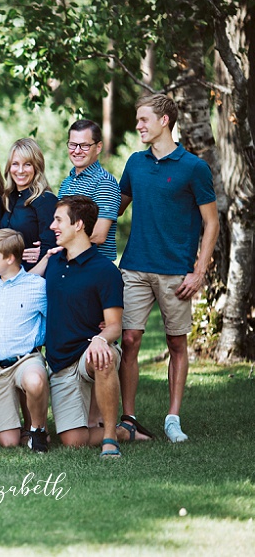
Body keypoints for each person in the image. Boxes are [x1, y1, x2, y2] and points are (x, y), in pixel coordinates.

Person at [117, 94, 219, 443]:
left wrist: (199, 270)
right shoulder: (134, 163)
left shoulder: (194, 167)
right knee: (129, 339)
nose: (138, 125)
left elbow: (212, 223)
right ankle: (128, 418)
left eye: (144, 119)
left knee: (176, 342)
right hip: (134, 267)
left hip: (176, 271)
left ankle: (172, 418)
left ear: (164, 121)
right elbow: (113, 208)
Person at [38, 196, 124, 458]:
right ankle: (125, 431)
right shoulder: (52, 262)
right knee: (73, 441)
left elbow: (114, 326)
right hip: (60, 361)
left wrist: (100, 339)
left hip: (90, 351)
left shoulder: (105, 270)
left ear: (78, 225)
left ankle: (110, 438)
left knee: (103, 358)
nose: (52, 226)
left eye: (58, 220)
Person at [0, 229, 49, 452]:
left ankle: (38, 430)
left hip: (26, 359)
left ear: (9, 258)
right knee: (8, 442)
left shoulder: (36, 286)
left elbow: (55, 320)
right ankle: (19, 428)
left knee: (35, 381)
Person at [57, 120, 121, 261]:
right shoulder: (67, 182)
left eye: (85, 146)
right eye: (73, 145)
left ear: (98, 147)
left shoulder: (104, 183)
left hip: (92, 269)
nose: (77, 150)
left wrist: (56, 247)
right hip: (68, 264)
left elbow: (99, 235)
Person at [0, 138, 58, 270]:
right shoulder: (8, 198)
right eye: (15, 164)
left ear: (36, 167)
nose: (20, 170)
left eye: (27, 164)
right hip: (7, 276)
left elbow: (52, 246)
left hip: (32, 277)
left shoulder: (46, 200)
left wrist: (42, 252)